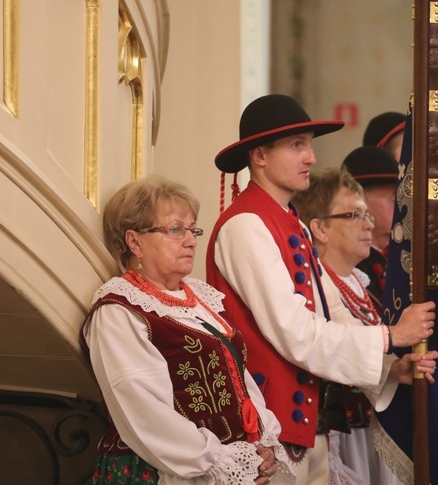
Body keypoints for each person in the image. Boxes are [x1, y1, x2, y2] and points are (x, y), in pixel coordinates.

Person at [206, 94, 436, 484]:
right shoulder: (245, 225)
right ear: (259, 156)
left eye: (309, 144)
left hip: (306, 430)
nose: (311, 157)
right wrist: (390, 335)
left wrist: (388, 369)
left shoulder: (291, 222)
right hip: (266, 432)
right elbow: (294, 331)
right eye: (297, 146)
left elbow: (332, 310)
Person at [84, 175, 293, 484]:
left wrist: (261, 442)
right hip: (169, 471)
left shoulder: (200, 298)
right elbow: (142, 409)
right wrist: (221, 462)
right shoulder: (119, 309)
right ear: (134, 241)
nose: (191, 240)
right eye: (175, 229)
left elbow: (239, 380)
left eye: (192, 229)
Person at [293, 168, 438, 485]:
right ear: (319, 228)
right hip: (342, 436)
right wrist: (396, 336)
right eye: (354, 215)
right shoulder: (311, 287)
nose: (369, 223)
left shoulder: (358, 284)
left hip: (371, 430)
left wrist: (394, 369)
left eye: (367, 214)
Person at [341, 145, 399, 305]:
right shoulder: (346, 263)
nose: (404, 208)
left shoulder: (403, 254)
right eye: (394, 200)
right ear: (361, 202)